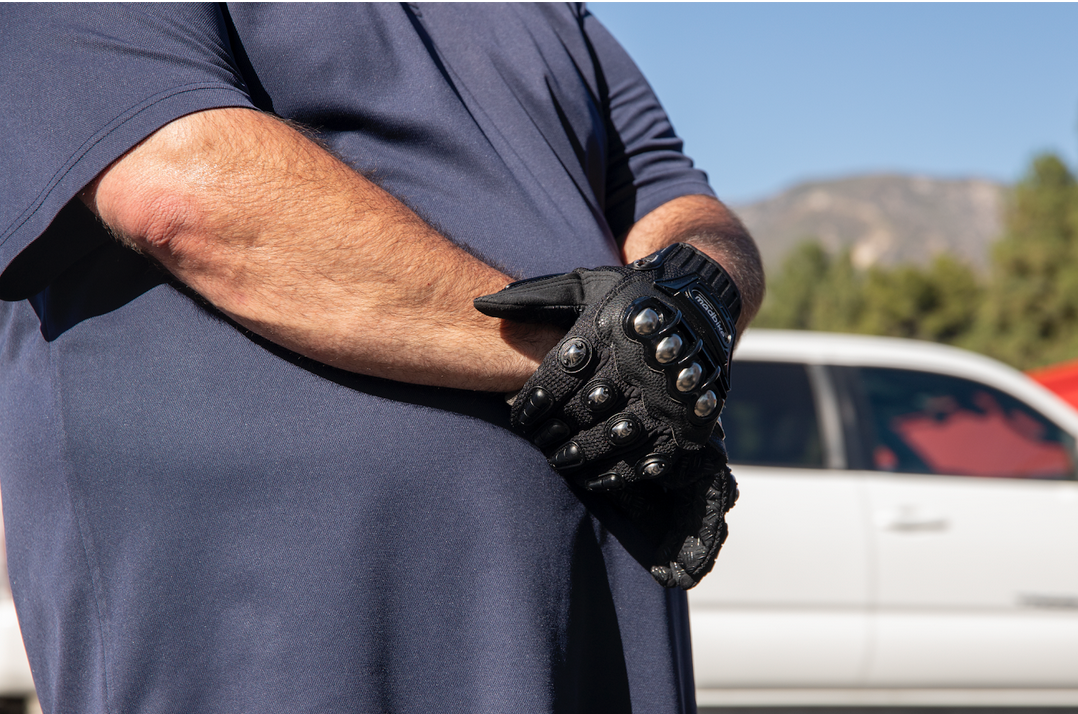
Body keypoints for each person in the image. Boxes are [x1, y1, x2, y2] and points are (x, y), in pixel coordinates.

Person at [0, 4, 763, 713]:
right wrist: (600, 359)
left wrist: (700, 293)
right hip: (284, 621)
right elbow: (181, 188)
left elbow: (679, 197)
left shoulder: (552, 10)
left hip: (595, 603)